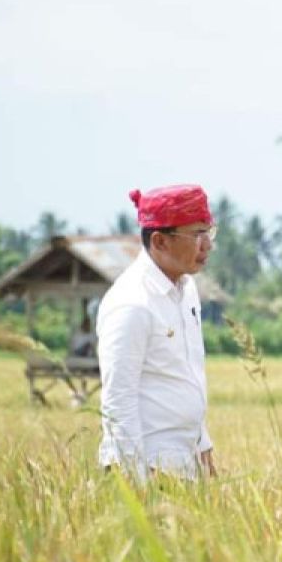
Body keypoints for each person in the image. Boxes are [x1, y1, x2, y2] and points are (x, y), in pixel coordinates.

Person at [97, 184, 217, 480]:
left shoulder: (186, 291)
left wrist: (204, 445)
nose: (207, 245)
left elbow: (185, 374)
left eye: (209, 232)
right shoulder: (131, 303)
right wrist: (137, 482)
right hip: (149, 468)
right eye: (197, 234)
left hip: (185, 465)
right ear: (160, 241)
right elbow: (118, 400)